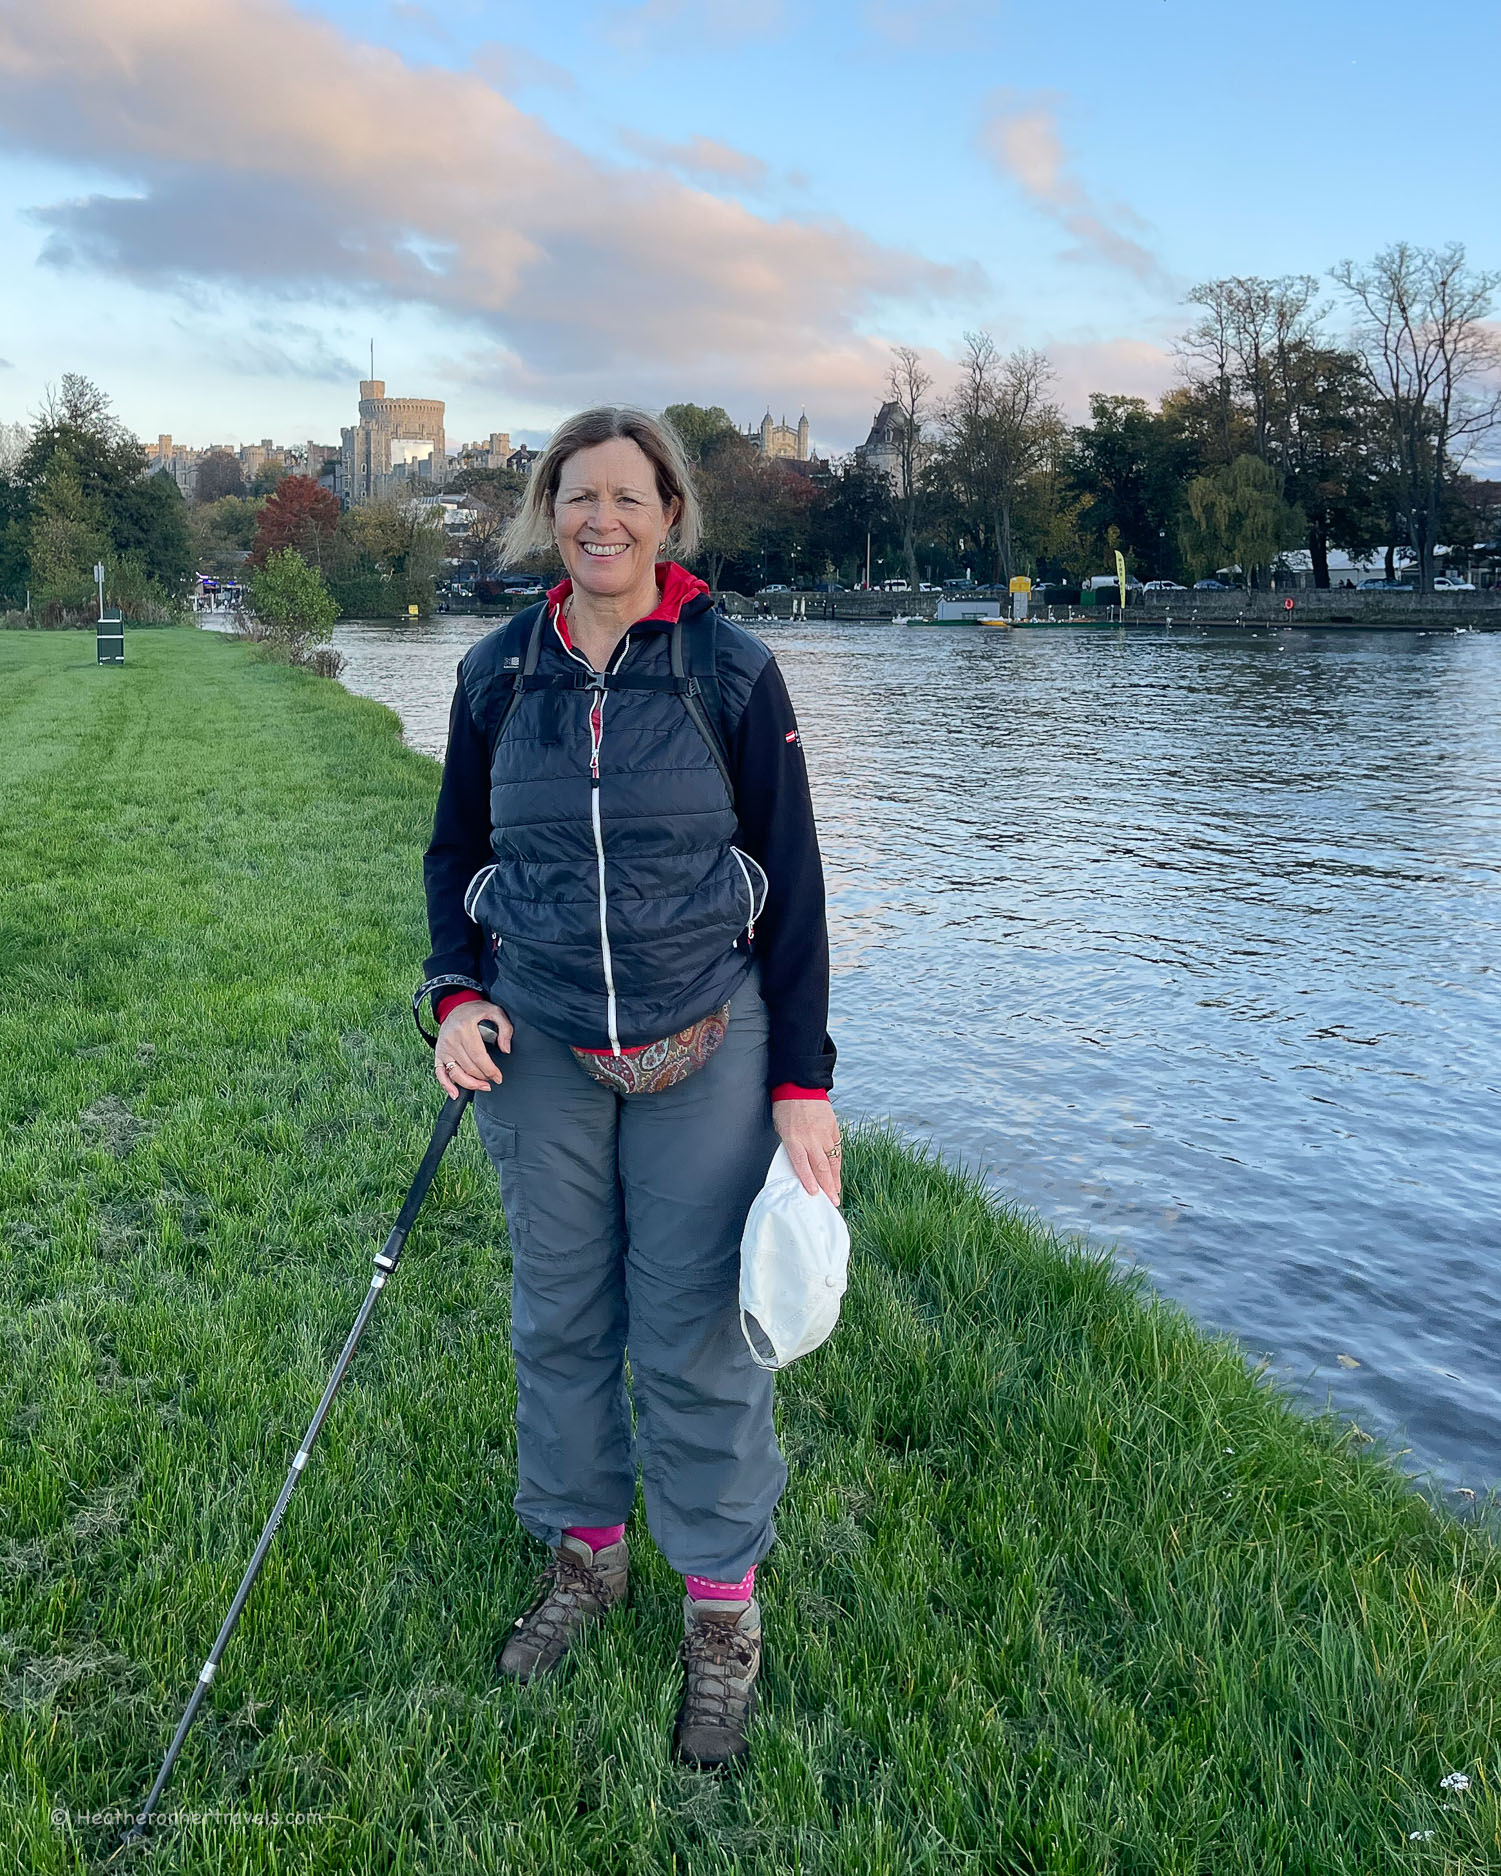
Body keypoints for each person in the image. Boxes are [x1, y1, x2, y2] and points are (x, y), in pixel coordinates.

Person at [417, 406, 839, 1767]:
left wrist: (803, 1083)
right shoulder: (493, 674)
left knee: (696, 1331)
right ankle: (585, 1560)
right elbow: (453, 863)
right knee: (559, 1318)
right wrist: (456, 995)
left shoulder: (729, 667)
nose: (603, 519)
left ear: (669, 517)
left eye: (629, 498)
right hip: (537, 1050)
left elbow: (797, 886)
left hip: (701, 1046)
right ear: (549, 510)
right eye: (578, 496)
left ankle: (720, 1613)